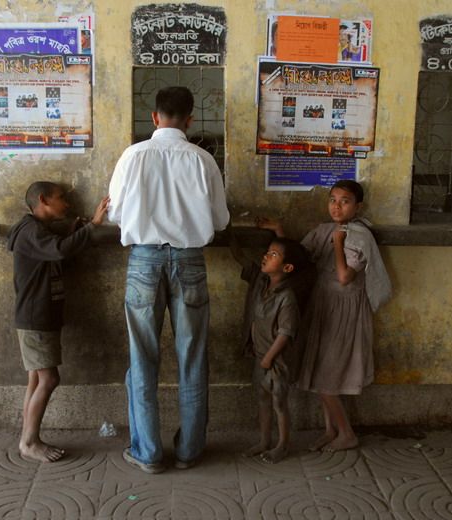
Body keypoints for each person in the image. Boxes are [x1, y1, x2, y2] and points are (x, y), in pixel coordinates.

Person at [108, 86, 230, 474]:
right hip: (190, 261)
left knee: (142, 358)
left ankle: (147, 453)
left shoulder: (133, 156)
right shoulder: (203, 159)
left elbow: (116, 215)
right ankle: (189, 451)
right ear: (190, 120)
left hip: (143, 260)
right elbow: (220, 221)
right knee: (192, 356)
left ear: (154, 117)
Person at [258, 180, 391, 453]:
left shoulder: (358, 236)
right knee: (321, 373)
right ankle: (330, 430)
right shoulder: (324, 230)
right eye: (333, 200)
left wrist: (339, 244)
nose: (337, 206)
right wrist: (279, 230)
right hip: (323, 307)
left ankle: (347, 434)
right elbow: (299, 257)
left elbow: (344, 277)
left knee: (327, 380)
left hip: (343, 311)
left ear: (358, 206)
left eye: (345, 201)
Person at [7, 181, 110, 462]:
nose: (66, 203)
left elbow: (57, 243)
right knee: (49, 379)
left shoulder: (36, 230)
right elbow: (59, 250)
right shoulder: (30, 232)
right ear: (43, 200)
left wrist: (76, 228)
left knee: (35, 380)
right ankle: (29, 442)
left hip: (39, 315)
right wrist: (93, 226)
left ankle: (26, 437)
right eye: (61, 198)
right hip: (35, 316)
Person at [230, 233, 311, 464]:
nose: (266, 256)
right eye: (267, 252)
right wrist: (229, 230)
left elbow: (286, 333)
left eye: (273, 255)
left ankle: (282, 445)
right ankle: (264, 441)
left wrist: (269, 358)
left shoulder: (287, 297)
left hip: (277, 361)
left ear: (287, 267)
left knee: (279, 403)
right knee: (263, 400)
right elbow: (240, 257)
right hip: (260, 356)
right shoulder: (261, 283)